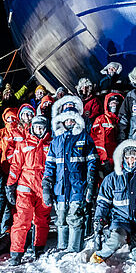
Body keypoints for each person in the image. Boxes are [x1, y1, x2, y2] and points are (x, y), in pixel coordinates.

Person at [42, 96, 99, 252]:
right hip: (60, 188)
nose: (69, 122)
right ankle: (62, 247)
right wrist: (46, 186)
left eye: (72, 119)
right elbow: (49, 166)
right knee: (61, 218)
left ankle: (73, 249)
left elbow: (93, 163)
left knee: (75, 217)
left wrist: (91, 185)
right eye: (66, 119)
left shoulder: (84, 138)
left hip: (78, 186)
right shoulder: (56, 141)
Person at [90, 139, 136, 264]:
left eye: (133, 158)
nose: (130, 161)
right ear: (122, 159)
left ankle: (133, 242)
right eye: (127, 158)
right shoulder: (112, 178)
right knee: (117, 239)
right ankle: (100, 254)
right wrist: (99, 219)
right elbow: (103, 203)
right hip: (120, 220)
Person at [6, 115, 52, 264]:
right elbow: (15, 166)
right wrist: (10, 185)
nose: (39, 129)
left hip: (44, 187)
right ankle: (16, 253)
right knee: (22, 219)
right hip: (25, 187)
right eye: (36, 126)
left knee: (42, 220)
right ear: (32, 128)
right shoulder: (24, 144)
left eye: (41, 127)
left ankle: (39, 248)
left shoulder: (51, 145)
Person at [89, 92, 124, 170]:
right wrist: (103, 159)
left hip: (121, 160)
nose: (114, 106)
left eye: (116, 103)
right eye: (111, 103)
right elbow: (99, 141)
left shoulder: (124, 119)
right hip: (108, 160)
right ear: (107, 104)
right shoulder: (101, 120)